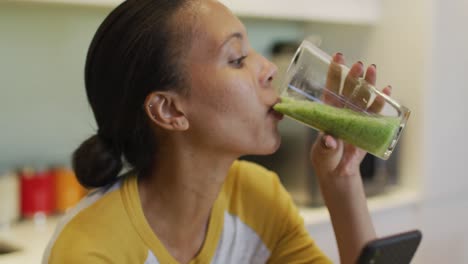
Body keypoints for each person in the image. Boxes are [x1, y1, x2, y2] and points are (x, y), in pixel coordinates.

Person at [43, 0, 392, 263]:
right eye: (237, 58)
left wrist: (342, 179)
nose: (269, 69)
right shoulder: (91, 250)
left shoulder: (257, 198)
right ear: (170, 110)